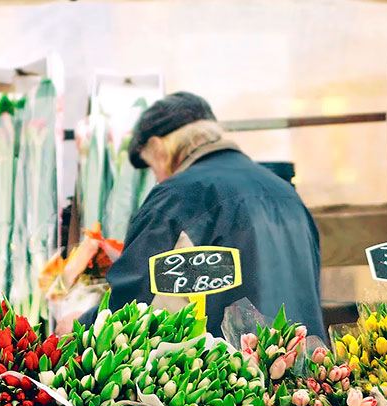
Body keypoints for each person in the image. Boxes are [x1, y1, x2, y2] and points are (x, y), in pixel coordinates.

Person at [80, 92, 326, 339]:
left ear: (158, 147)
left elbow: (133, 303)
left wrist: (82, 324)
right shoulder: (285, 194)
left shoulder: (179, 197)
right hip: (304, 360)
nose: (157, 177)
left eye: (152, 167)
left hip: (235, 362)